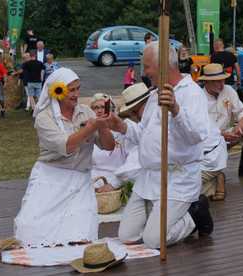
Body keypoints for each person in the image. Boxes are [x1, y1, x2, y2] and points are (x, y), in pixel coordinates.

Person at [109, 42, 213, 249]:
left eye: (147, 66)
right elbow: (143, 134)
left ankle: (195, 214)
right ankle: (159, 216)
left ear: (163, 66)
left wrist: (175, 109)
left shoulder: (192, 93)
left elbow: (197, 136)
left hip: (177, 179)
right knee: (127, 236)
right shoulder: (155, 94)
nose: (144, 72)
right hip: (148, 178)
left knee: (153, 240)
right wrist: (121, 126)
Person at [15, 68, 117, 247]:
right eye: (72, 90)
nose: (76, 94)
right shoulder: (44, 117)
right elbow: (66, 146)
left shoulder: (86, 112)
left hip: (80, 179)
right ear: (58, 90)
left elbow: (109, 146)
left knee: (80, 236)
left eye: (78, 89)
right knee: (29, 233)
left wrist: (103, 126)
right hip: (51, 176)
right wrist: (92, 126)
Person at [199, 63, 243, 177]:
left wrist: (240, 126)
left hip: (227, 135)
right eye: (217, 81)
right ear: (207, 82)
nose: (222, 84)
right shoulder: (198, 97)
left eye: (223, 80)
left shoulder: (228, 90)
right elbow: (199, 129)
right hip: (207, 142)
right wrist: (221, 134)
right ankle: (211, 171)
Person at [90, 93, 132, 192]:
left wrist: (114, 184)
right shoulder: (89, 132)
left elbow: (131, 162)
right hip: (93, 183)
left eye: (103, 107)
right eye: (96, 108)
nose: (99, 110)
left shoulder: (122, 132)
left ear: (111, 110)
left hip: (118, 181)